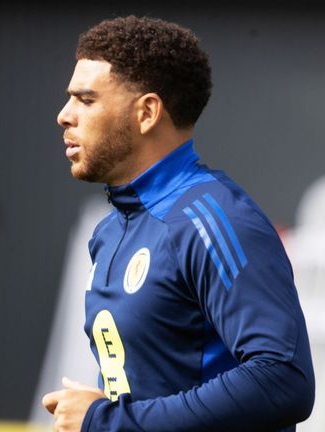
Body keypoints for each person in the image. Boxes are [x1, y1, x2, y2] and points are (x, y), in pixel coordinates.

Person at [41, 16, 314, 431]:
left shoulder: (213, 217)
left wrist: (108, 421)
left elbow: (282, 378)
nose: (64, 115)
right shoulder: (110, 232)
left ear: (147, 112)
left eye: (86, 99)